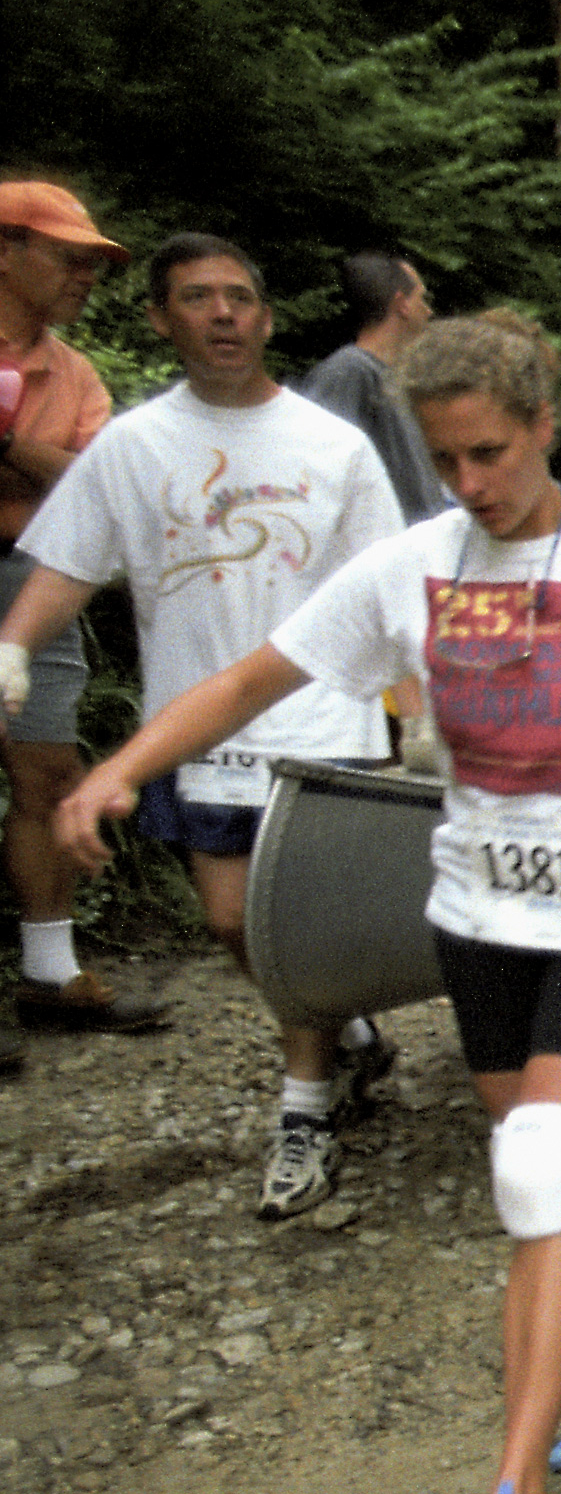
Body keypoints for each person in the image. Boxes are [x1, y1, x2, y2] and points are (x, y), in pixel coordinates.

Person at [58, 308, 561, 1494]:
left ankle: (513, 1493)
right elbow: (245, 684)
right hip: (482, 916)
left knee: (544, 1159)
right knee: (547, 1184)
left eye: (492, 452)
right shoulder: (415, 567)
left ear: (546, 426)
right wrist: (116, 768)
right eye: (447, 461)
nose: (472, 485)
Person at [0, 233, 403, 1217]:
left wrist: (414, 714)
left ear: (266, 318)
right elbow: (66, 566)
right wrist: (12, 644)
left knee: (291, 926)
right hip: (192, 731)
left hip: (321, 727)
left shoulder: (334, 447)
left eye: (239, 297)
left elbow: (391, 591)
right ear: (160, 318)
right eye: (197, 298)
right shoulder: (133, 447)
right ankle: (343, 1034)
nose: (222, 314)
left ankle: (302, 1113)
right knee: (232, 924)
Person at [0, 182, 165, 1069]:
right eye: (68, 258)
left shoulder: (74, 372)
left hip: (37, 575)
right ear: (4, 250)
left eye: (95, 265)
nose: (85, 277)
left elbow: (97, 486)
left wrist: (10, 448)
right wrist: (41, 464)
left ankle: (49, 971)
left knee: (49, 769)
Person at [300, 251, 444, 522]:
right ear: (401, 304)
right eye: (421, 298)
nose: (429, 311)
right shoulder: (349, 372)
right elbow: (319, 471)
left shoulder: (394, 378)